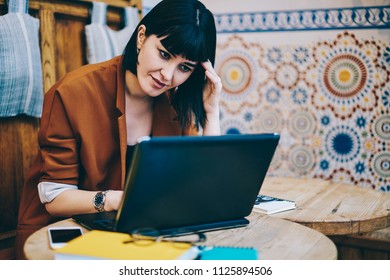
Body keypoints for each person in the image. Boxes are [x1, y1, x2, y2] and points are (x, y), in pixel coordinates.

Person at [15, 0, 221, 259]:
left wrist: (211, 113)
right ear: (142, 36)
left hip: (134, 238)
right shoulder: (73, 92)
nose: (168, 75)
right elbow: (54, 198)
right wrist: (114, 200)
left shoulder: (177, 103)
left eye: (184, 67)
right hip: (61, 238)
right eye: (164, 54)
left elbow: (206, 191)